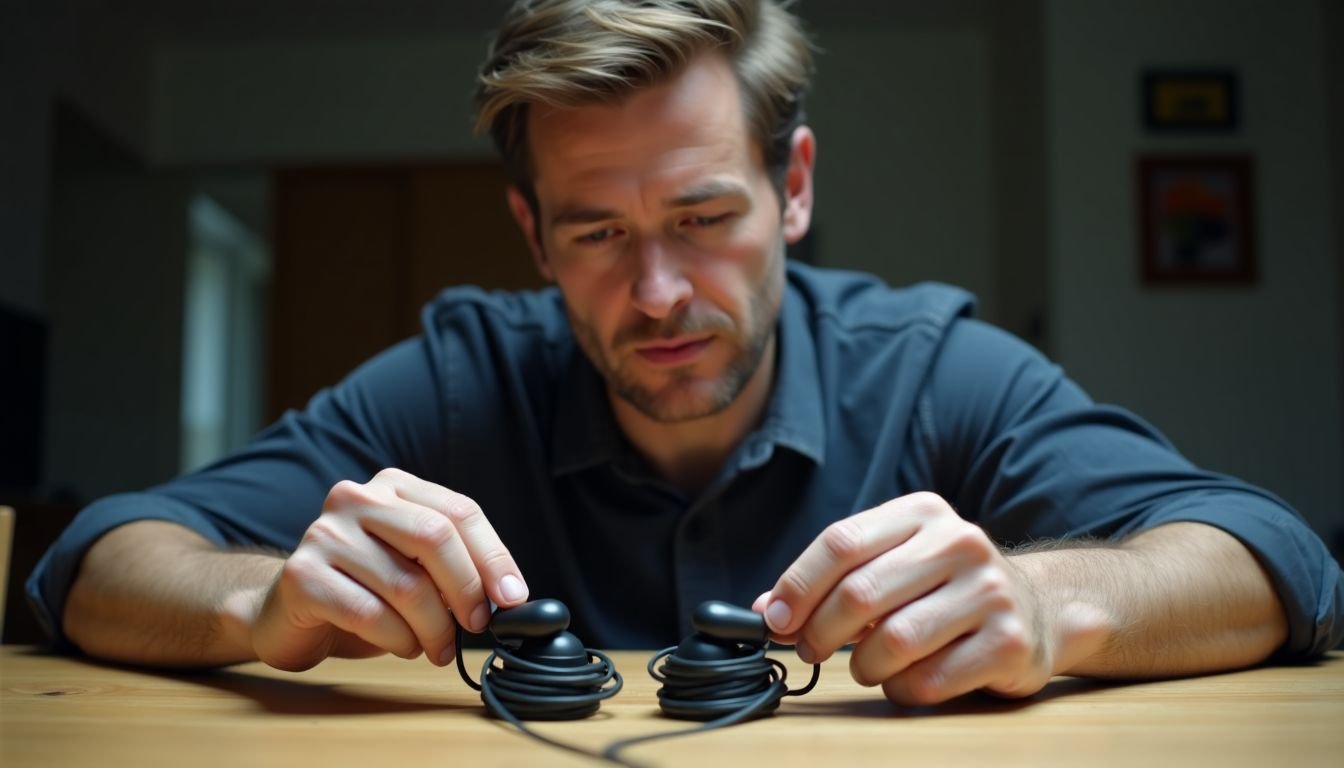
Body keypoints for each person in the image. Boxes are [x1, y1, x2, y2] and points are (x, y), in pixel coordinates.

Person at [28, 0, 1341, 705]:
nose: (658, 291)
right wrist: (257, 605)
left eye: (705, 218)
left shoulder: (931, 365)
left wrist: (1054, 608)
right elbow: (97, 561)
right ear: (531, 234)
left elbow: (1271, 558)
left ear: (797, 190)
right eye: (597, 231)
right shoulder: (458, 374)